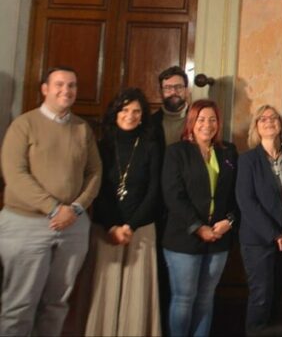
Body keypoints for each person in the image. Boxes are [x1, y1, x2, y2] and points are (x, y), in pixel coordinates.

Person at [0, 66, 101, 336]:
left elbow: (95, 172)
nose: (66, 90)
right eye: (59, 84)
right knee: (19, 304)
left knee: (57, 303)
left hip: (74, 226)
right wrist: (55, 208)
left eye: (72, 85)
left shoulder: (82, 128)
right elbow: (14, 174)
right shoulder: (23, 125)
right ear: (45, 89)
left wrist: (77, 208)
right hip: (26, 225)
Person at [84, 87, 164, 336]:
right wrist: (112, 226)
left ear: (142, 116)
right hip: (106, 229)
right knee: (104, 290)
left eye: (136, 111)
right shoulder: (101, 146)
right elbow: (98, 189)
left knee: (136, 293)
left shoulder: (151, 146)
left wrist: (131, 225)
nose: (130, 115)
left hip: (140, 230)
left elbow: (155, 191)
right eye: (125, 110)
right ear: (116, 112)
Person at [161, 99, 237, 337]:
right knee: (184, 299)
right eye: (201, 119)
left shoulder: (228, 151)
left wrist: (229, 221)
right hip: (184, 238)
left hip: (220, 238)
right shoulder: (176, 152)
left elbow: (237, 193)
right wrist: (198, 227)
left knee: (206, 298)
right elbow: (173, 196)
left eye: (212, 119)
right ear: (191, 122)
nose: (207, 125)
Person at [236, 104, 282, 334]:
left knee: (277, 298)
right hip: (258, 242)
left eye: (274, 118)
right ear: (256, 127)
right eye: (262, 119)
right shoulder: (247, 160)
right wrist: (275, 235)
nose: (269, 121)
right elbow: (247, 202)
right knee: (261, 299)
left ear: (281, 124)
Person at [151, 66, 191, 148]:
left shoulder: (198, 119)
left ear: (186, 90)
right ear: (160, 92)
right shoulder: (150, 123)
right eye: (168, 88)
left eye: (178, 87)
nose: (173, 92)